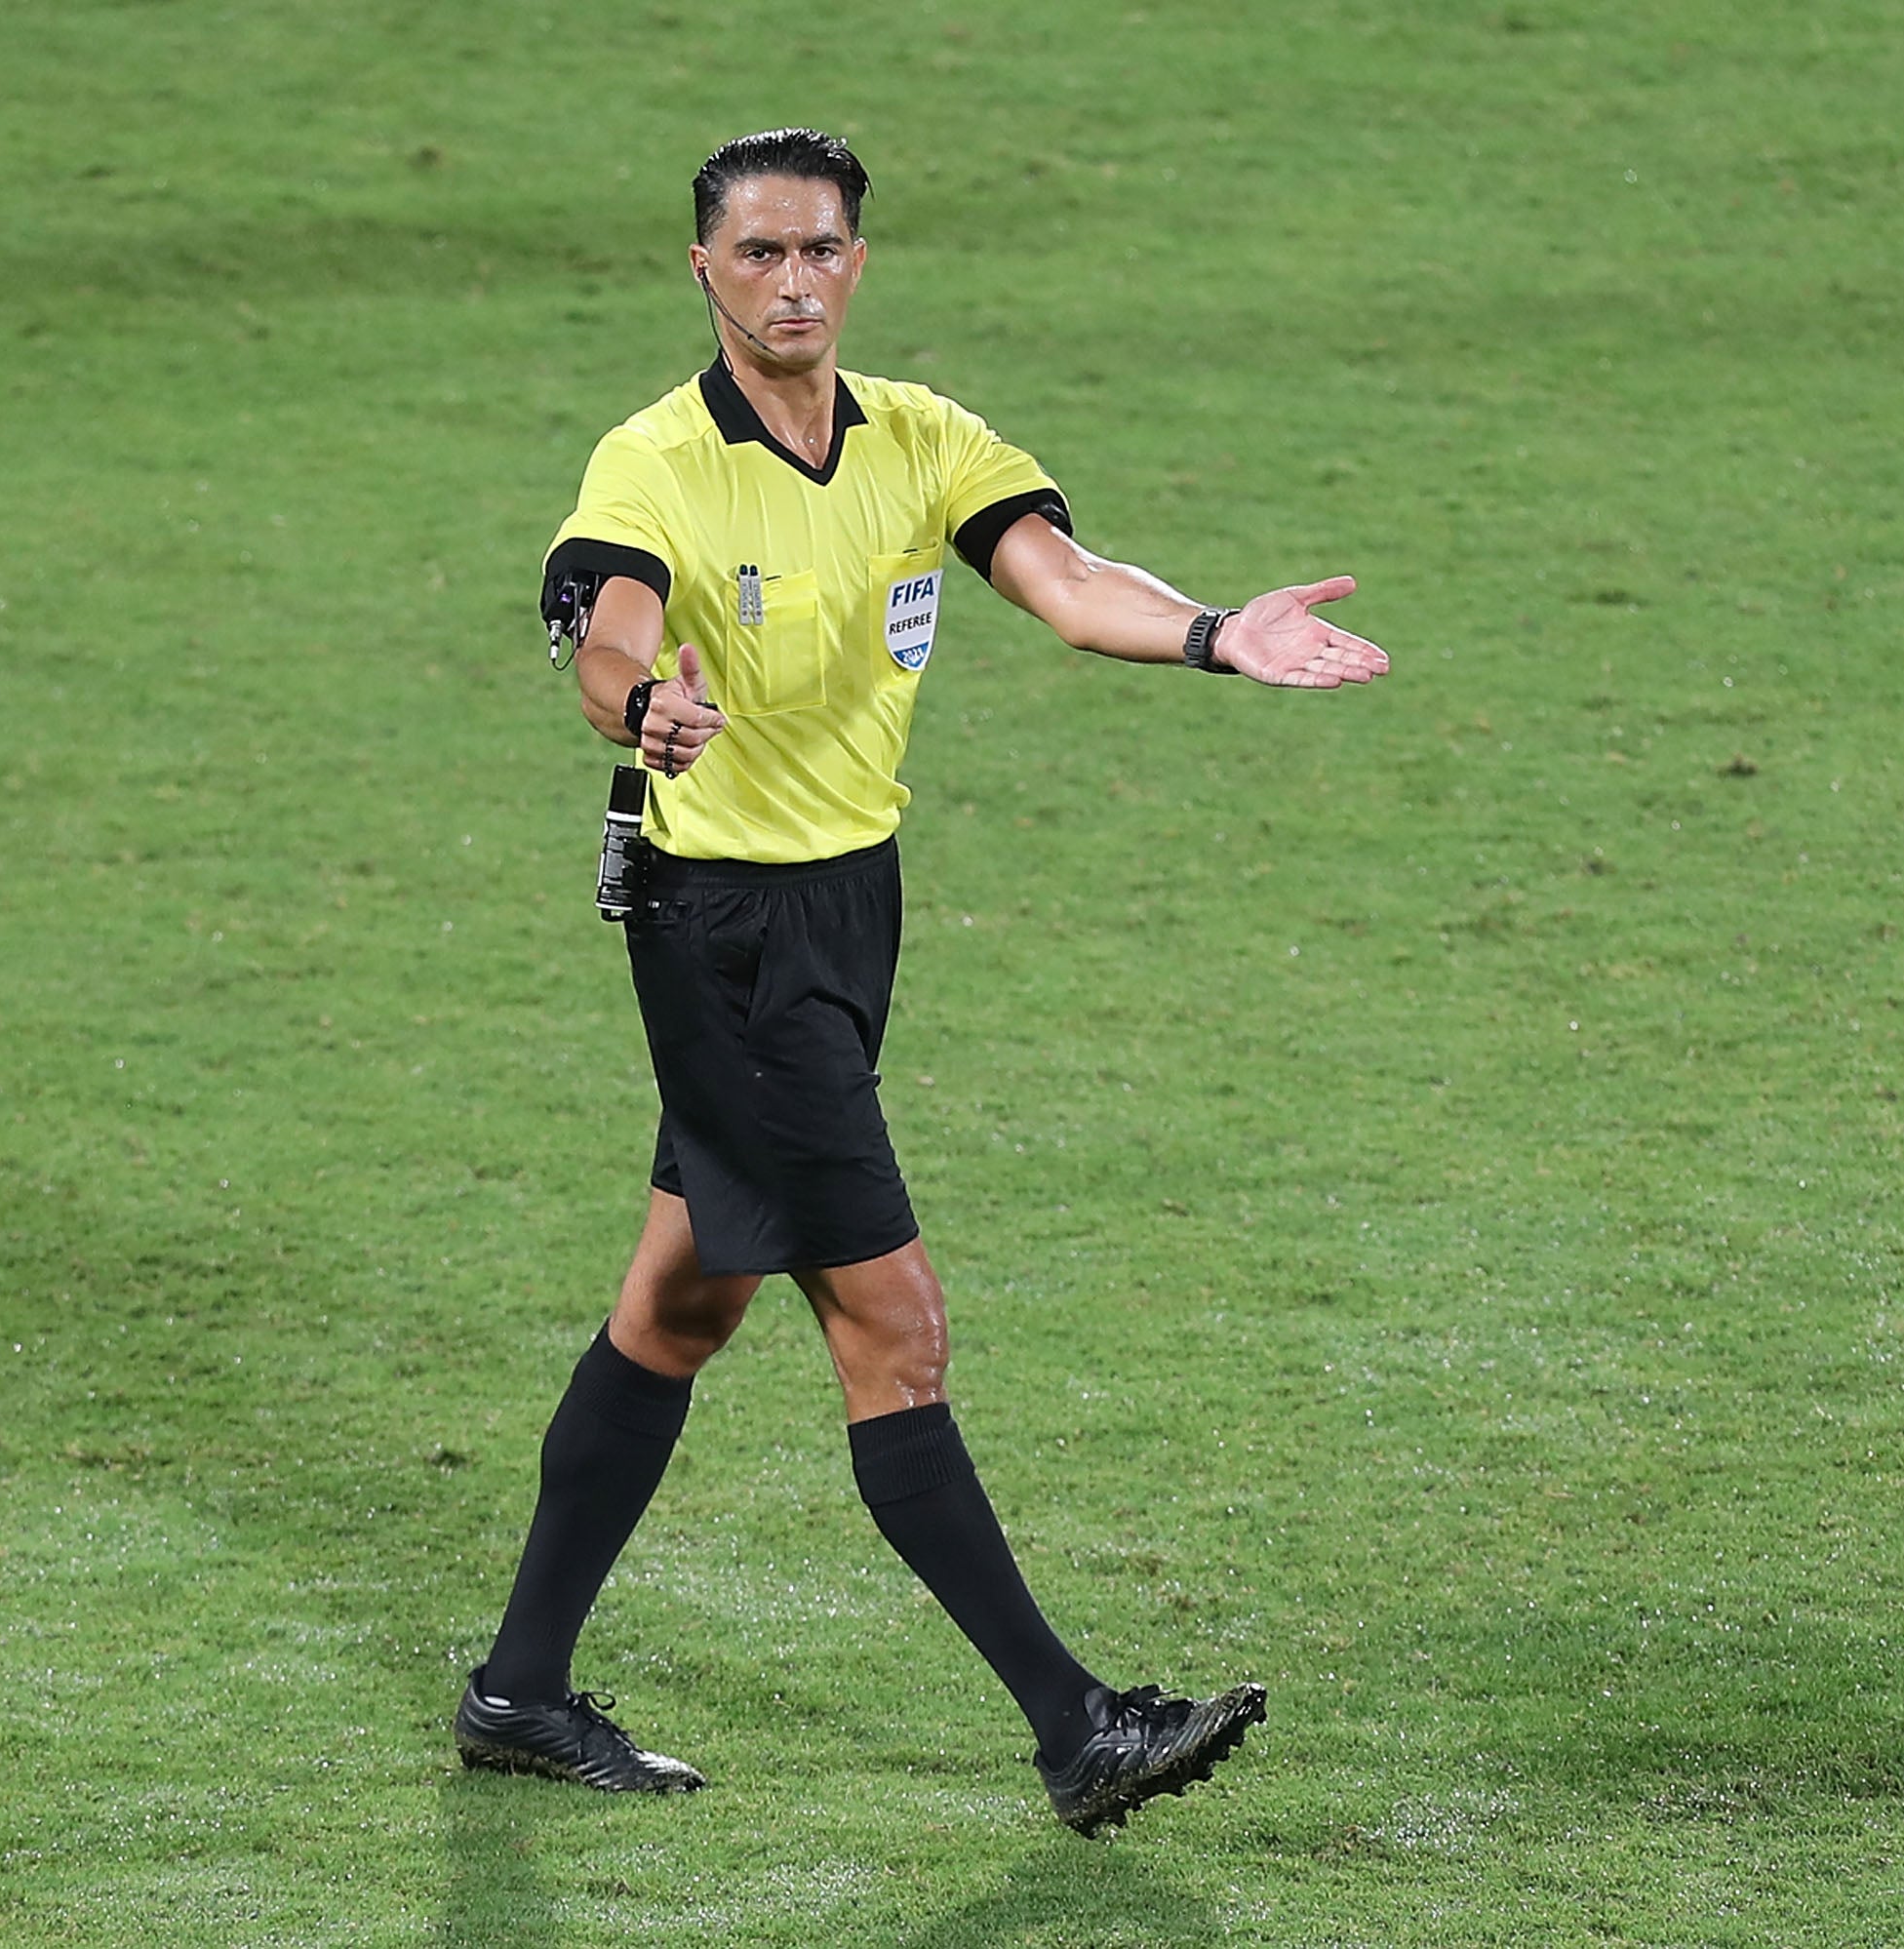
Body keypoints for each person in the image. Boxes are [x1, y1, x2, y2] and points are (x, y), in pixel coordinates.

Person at [456, 128, 1388, 1838]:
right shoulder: (656, 457)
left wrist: (1211, 632)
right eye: (757, 256)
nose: (792, 283)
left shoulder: (919, 436)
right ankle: (1075, 1722)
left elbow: (1065, 578)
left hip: (847, 910)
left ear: (857, 265)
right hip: (724, 931)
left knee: (682, 1301)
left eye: (819, 253)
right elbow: (605, 617)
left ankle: (519, 1684)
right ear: (706, 275)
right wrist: (638, 698)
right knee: (895, 1326)